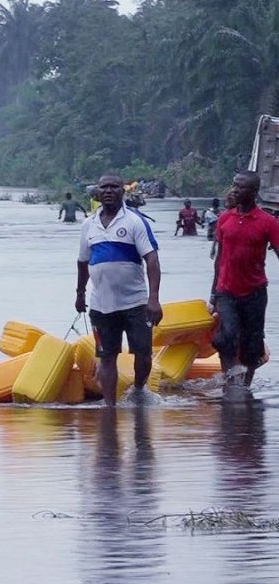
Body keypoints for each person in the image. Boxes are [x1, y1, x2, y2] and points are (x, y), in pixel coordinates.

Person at [75, 173, 162, 408]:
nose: (109, 191)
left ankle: (139, 389)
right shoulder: (88, 225)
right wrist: (80, 293)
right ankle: (110, 407)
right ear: (97, 192)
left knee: (143, 355)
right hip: (101, 304)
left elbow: (152, 260)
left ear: (123, 191)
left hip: (136, 303)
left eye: (114, 187)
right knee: (106, 357)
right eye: (104, 187)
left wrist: (153, 299)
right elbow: (83, 262)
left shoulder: (134, 221)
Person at [210, 171, 279, 388]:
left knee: (251, 343)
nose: (235, 190)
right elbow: (219, 258)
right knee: (226, 335)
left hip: (255, 291)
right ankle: (230, 380)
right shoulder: (224, 218)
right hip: (226, 291)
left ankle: (245, 386)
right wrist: (213, 293)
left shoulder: (268, 222)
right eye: (234, 185)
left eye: (241, 187)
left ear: (254, 192)